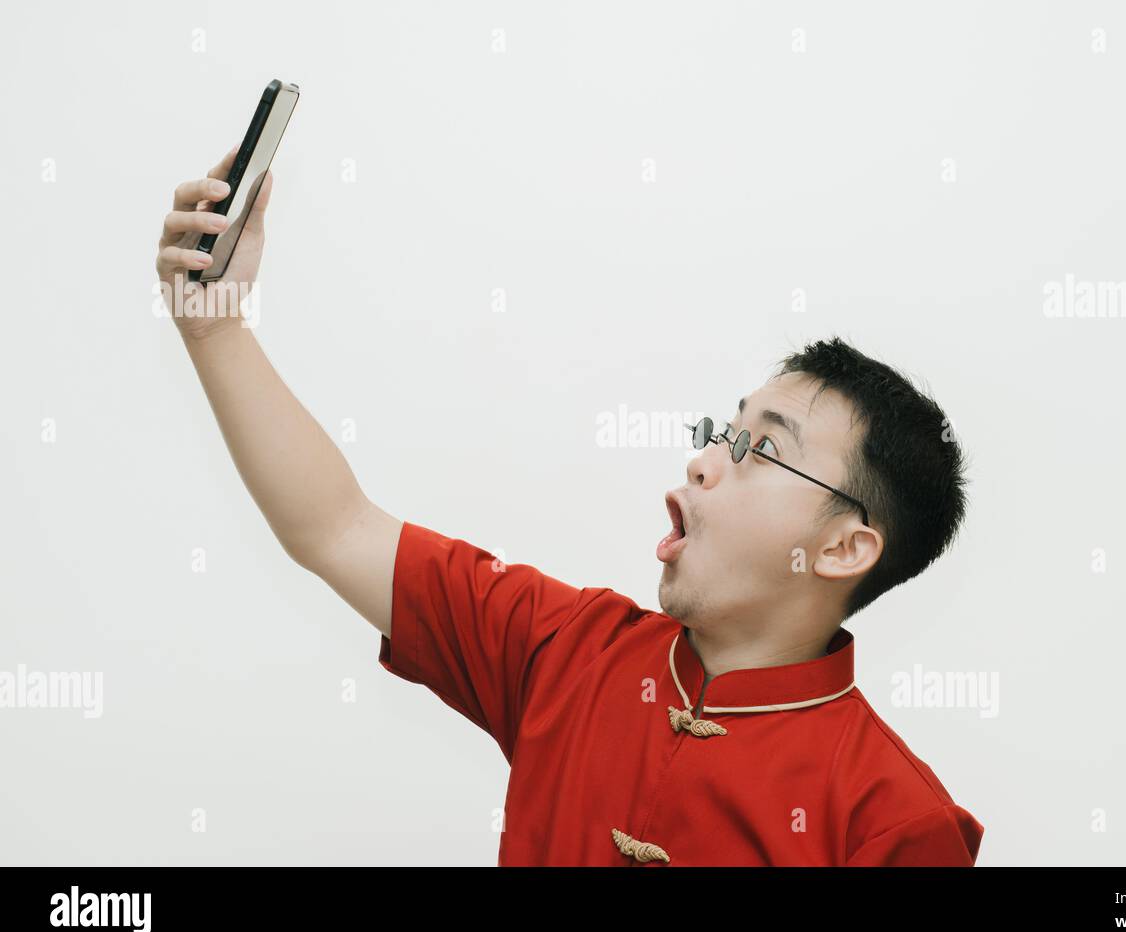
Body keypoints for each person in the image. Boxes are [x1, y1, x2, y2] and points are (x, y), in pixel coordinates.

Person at [154, 148, 985, 866]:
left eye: (760, 450)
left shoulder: (892, 823)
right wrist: (216, 328)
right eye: (720, 431)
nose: (702, 464)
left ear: (843, 549)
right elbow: (335, 526)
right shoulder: (566, 650)